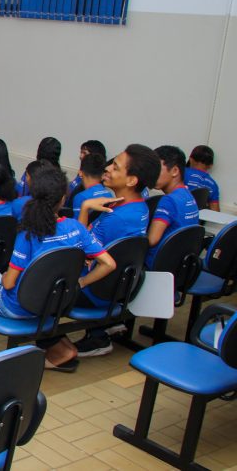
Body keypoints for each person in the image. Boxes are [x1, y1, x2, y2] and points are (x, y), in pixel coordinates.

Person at [0, 167, 115, 369]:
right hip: (52, 306)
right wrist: (80, 283)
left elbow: (9, 283)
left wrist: (2, 276)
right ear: (63, 199)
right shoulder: (77, 228)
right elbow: (109, 263)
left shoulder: (28, 233)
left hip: (15, 307)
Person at [73, 144, 160, 357]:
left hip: (95, 290)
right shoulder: (138, 207)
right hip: (115, 286)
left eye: (116, 167)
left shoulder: (117, 218)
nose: (108, 168)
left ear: (132, 180)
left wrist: (85, 208)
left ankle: (61, 344)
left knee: (38, 280)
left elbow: (77, 250)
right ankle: (100, 330)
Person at [146, 145, 200, 267]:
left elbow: (152, 240)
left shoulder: (169, 200)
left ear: (175, 171)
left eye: (157, 169)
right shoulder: (188, 195)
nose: (152, 174)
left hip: (156, 265)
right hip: (177, 264)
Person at [71, 153, 112, 218]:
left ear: (80, 173)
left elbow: (78, 226)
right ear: (103, 175)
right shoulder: (109, 195)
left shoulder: (81, 197)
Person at [185, 145, 220, 211]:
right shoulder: (213, 184)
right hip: (196, 219)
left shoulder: (179, 172)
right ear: (210, 165)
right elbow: (215, 211)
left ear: (190, 159)